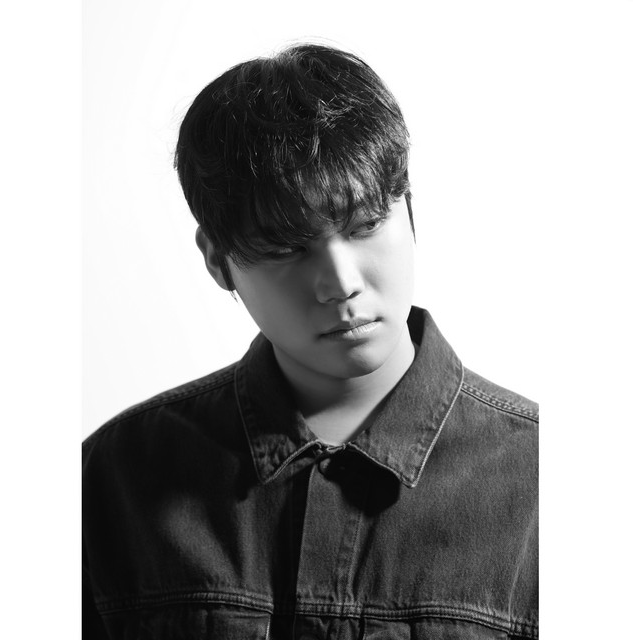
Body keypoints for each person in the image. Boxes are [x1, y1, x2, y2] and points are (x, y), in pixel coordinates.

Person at [82, 43, 538, 639]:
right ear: (217, 261)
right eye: (287, 248)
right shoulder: (115, 476)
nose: (341, 283)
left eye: (366, 224)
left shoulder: (548, 482)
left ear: (409, 211)